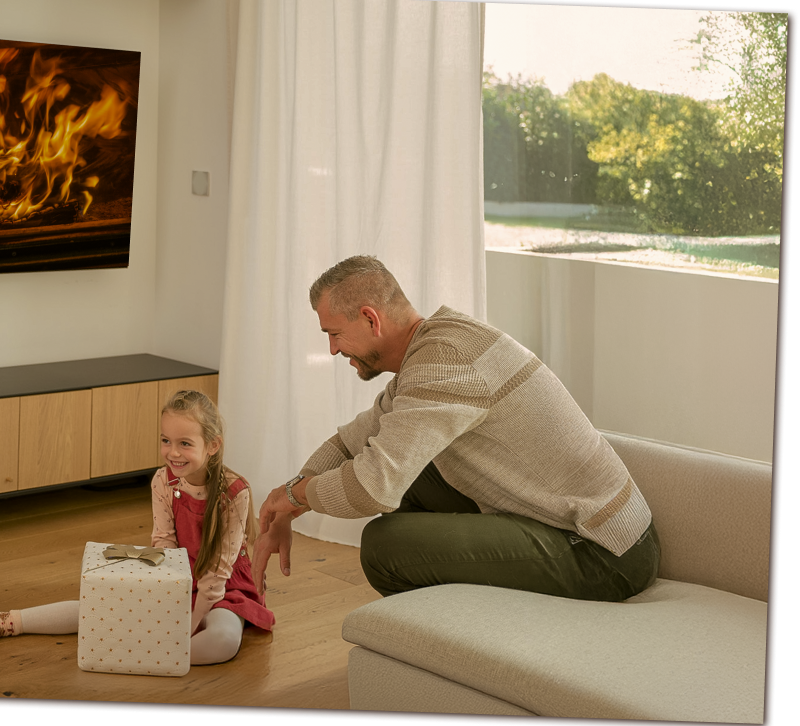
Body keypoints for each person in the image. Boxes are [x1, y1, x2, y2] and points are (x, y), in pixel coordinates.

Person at [253, 255, 659, 602]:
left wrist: (296, 496)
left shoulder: (442, 363)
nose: (333, 350)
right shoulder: (432, 348)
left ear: (370, 319)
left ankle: (456, 635)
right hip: (556, 519)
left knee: (384, 546)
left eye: (335, 334)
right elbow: (351, 442)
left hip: (603, 550)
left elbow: (371, 487)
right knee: (409, 474)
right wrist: (288, 501)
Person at [0, 390, 274, 664]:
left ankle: (132, 650)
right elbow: (164, 545)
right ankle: (4, 622)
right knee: (100, 603)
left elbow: (218, 573)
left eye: (185, 443)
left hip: (223, 589)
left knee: (223, 639)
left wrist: (187, 627)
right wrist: (163, 599)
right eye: (166, 441)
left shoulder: (235, 491)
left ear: (212, 445)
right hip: (177, 575)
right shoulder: (161, 481)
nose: (173, 452)